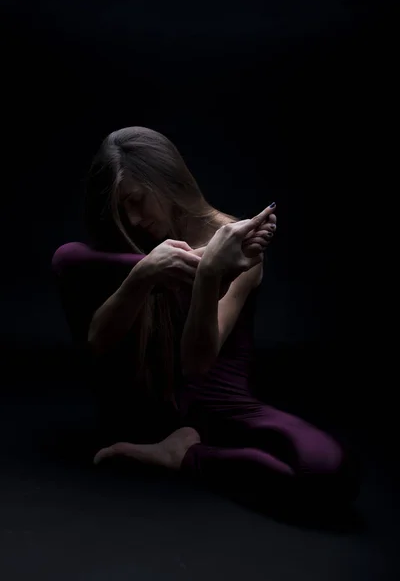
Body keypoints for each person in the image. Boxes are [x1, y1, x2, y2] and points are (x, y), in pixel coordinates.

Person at [78, 126, 359, 513]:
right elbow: (96, 342)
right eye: (122, 209)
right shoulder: (138, 246)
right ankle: (176, 444)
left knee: (329, 472)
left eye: (137, 201)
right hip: (154, 412)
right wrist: (142, 275)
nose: (133, 219)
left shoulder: (234, 244)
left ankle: (184, 455)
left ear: (166, 179)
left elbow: (197, 364)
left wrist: (210, 273)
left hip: (225, 410)